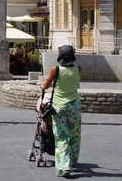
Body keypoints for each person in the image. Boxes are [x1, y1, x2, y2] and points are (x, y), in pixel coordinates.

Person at [41, 45, 82, 178]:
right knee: (74, 134)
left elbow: (46, 84)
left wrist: (42, 85)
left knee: (61, 136)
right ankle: (73, 159)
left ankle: (65, 166)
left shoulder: (56, 69)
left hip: (59, 107)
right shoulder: (79, 69)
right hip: (74, 105)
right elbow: (76, 84)